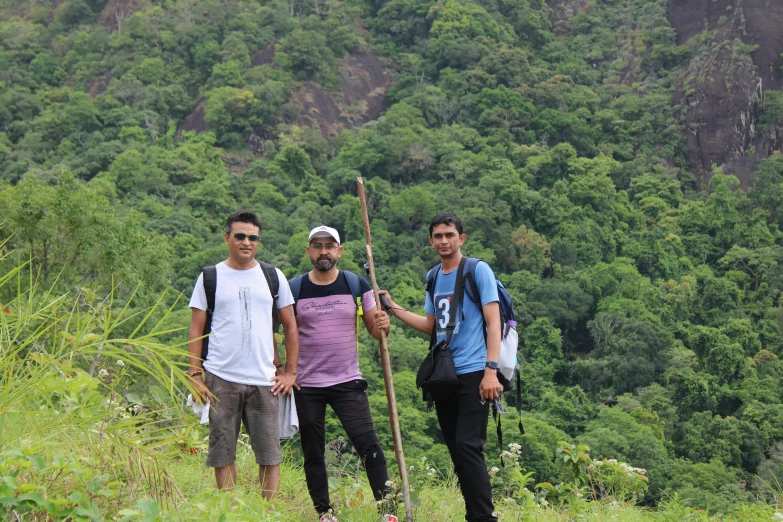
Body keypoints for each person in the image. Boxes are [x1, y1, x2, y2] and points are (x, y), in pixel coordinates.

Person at [380, 212, 501, 522]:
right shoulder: (434, 276)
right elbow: (432, 325)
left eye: (450, 235)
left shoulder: (477, 270)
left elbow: (493, 321)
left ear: (461, 238)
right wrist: (393, 308)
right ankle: (474, 514)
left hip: (475, 371)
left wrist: (491, 371)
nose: (444, 241)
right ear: (431, 241)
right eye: (438, 236)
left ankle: (484, 517)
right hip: (444, 374)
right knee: (457, 450)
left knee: (468, 445)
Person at [187, 210, 299, 498]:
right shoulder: (210, 277)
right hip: (220, 377)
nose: (246, 242)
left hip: (264, 379)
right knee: (223, 452)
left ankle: (267, 514)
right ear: (227, 238)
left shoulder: (273, 276)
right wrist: (195, 375)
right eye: (240, 236)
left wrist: (290, 372)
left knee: (269, 453)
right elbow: (196, 329)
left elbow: (290, 325)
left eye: (253, 237)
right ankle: (230, 512)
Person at [290, 225, 396, 522]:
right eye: (317, 245)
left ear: (339, 251)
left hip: (347, 381)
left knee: (369, 445)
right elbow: (283, 331)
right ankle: (324, 513)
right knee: (313, 452)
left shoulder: (356, 284)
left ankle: (387, 512)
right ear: (309, 251)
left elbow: (375, 332)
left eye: (329, 245)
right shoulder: (294, 289)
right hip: (306, 384)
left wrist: (382, 324)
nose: (323, 251)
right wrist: (283, 368)